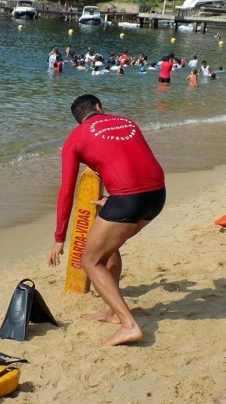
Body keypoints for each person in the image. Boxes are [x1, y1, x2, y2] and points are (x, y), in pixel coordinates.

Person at [48, 94, 166, 346]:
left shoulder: (75, 139)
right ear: (99, 108)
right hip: (157, 195)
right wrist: (112, 200)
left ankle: (129, 325)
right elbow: (133, 160)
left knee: (90, 261)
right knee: (108, 247)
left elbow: (66, 191)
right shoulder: (128, 122)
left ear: (77, 120)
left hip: (127, 199)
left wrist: (59, 239)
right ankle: (110, 310)